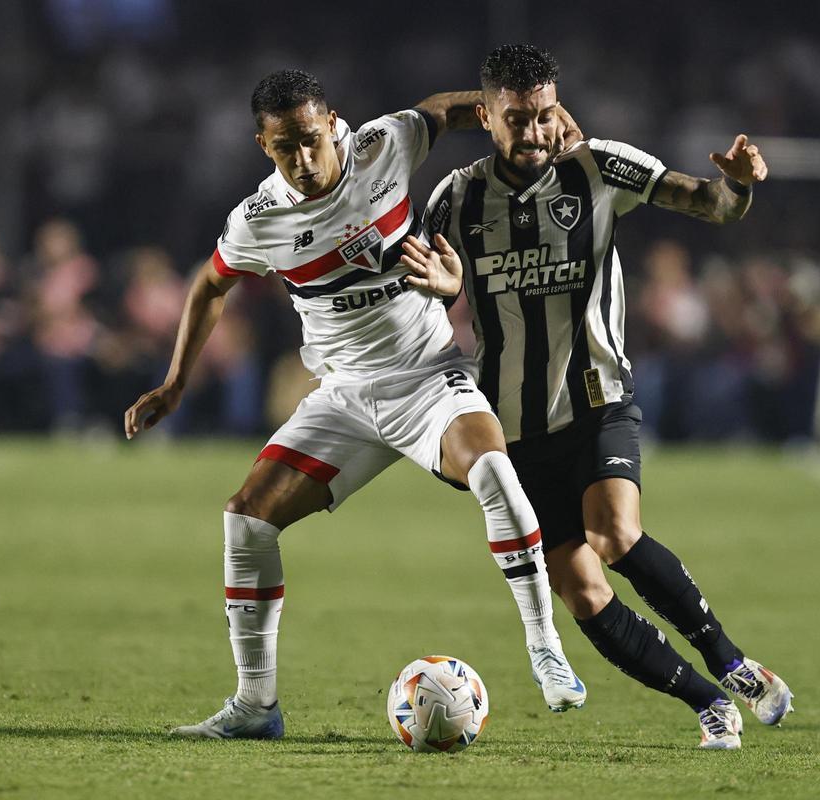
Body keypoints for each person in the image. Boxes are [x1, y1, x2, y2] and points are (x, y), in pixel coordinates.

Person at [124, 69, 587, 740]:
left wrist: (536, 113)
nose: (302, 158)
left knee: (493, 471)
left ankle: (544, 646)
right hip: (344, 397)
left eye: (310, 139)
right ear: (263, 145)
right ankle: (256, 705)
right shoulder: (260, 219)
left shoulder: (381, 147)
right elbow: (209, 286)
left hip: (427, 377)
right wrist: (175, 383)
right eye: (284, 147)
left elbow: (447, 109)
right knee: (246, 519)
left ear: (332, 122)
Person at [403, 44, 793, 750]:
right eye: (517, 119)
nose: (535, 132)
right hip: (512, 430)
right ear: (486, 118)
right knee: (582, 591)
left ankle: (730, 660)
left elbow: (709, 203)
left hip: (597, 398)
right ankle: (708, 702)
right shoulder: (455, 199)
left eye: (545, 115)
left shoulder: (600, 167)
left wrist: (738, 186)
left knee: (614, 533)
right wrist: (438, 289)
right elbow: (412, 293)